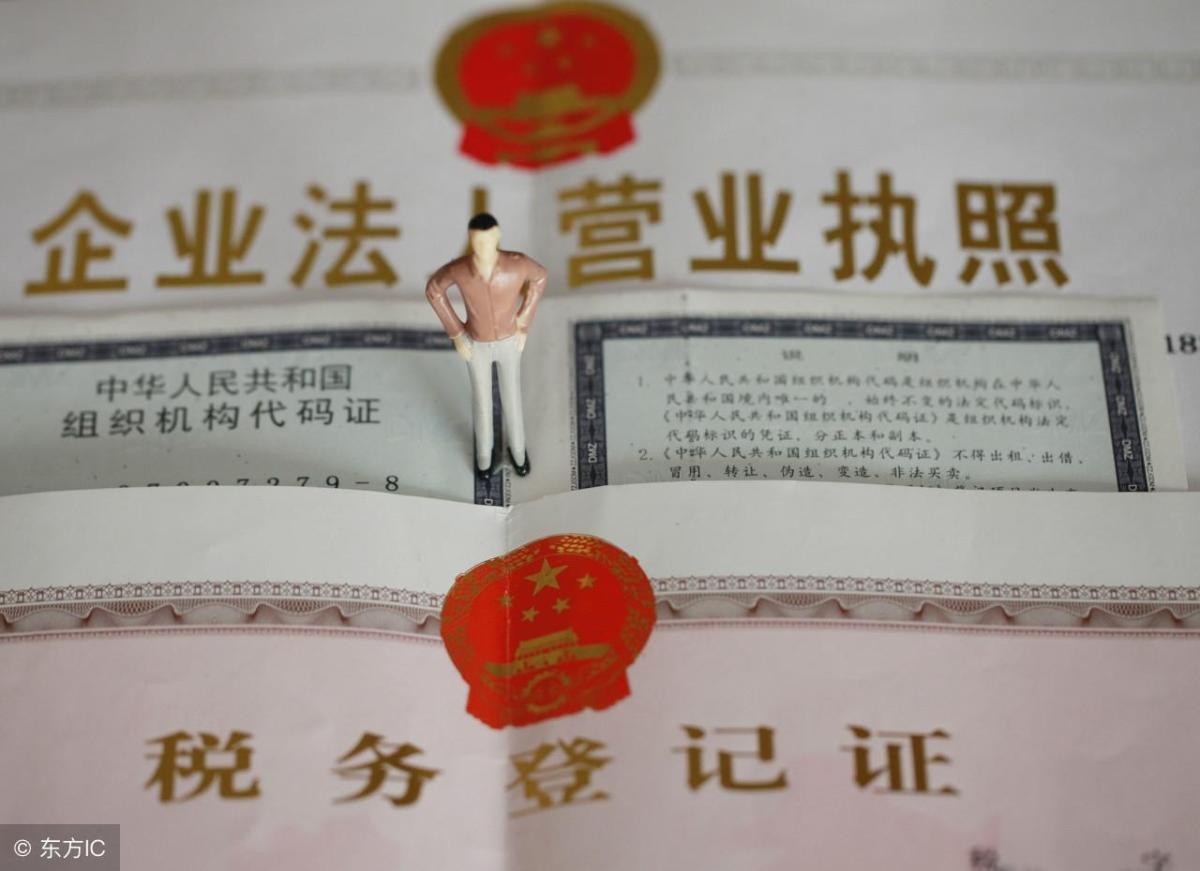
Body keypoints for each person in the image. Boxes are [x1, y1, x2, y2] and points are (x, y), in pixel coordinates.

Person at [425, 212, 547, 479]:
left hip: (509, 341)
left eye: (488, 240)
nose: (483, 246)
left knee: (512, 396)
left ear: (497, 236)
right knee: (482, 400)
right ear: (470, 239)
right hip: (476, 343)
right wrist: (457, 333)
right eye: (477, 241)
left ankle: (518, 450)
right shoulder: (460, 269)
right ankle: (484, 454)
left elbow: (540, 278)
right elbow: (434, 290)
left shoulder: (517, 264)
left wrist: (524, 321)